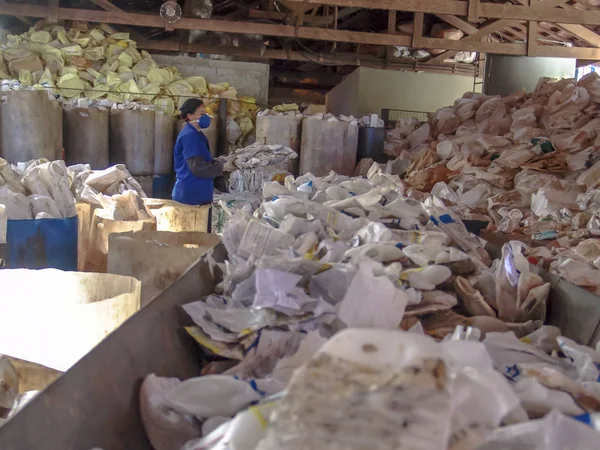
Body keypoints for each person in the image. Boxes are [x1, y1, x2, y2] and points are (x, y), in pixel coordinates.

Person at [172, 98, 223, 208]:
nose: (206, 116)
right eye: (202, 113)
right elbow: (197, 167)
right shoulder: (189, 136)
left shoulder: (196, 134)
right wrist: (222, 167)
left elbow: (202, 160)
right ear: (190, 115)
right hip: (191, 195)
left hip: (197, 193)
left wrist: (218, 162)